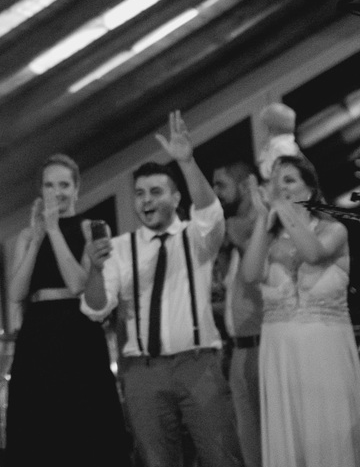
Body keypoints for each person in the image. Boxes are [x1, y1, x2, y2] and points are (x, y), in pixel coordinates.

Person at [83, 111, 243, 467]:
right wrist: (95, 268)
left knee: (221, 456)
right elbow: (96, 308)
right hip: (143, 372)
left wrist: (186, 162)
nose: (146, 200)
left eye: (156, 192)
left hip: (198, 364)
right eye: (139, 193)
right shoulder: (121, 247)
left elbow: (211, 213)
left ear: (174, 197)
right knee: (157, 462)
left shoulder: (195, 238)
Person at [4, 154, 129, 467]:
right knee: (41, 427)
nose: (56, 192)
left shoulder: (90, 228)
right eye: (49, 185)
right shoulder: (27, 234)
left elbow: (78, 284)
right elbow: (16, 292)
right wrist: (36, 238)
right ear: (41, 191)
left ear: (76, 189)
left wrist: (56, 231)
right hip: (37, 335)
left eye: (63, 185)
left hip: (79, 332)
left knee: (86, 424)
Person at [240, 154, 360, 466]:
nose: (280, 189)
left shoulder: (333, 230)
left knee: (332, 438)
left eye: (289, 181)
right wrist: (261, 220)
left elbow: (313, 253)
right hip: (281, 357)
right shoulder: (267, 240)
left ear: (310, 189)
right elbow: (250, 274)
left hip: (325, 356)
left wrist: (281, 205)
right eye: (275, 184)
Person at [210, 161, 263, 467]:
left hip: (262, 344)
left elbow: (259, 278)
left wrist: (241, 239)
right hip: (239, 349)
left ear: (245, 186)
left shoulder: (259, 225)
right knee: (249, 444)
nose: (215, 193)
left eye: (221, 185)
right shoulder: (231, 229)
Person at [255, 102, 300, 182]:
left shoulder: (282, 148)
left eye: (263, 126)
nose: (260, 131)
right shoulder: (276, 147)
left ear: (271, 128)